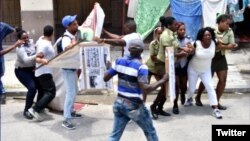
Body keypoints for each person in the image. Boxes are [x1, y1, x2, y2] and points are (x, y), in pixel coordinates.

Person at [104, 39, 168, 141]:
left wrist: (108, 68)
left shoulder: (118, 61)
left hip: (119, 103)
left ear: (128, 49)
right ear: (142, 50)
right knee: (150, 132)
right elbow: (146, 89)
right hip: (134, 106)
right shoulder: (141, 67)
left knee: (114, 135)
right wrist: (163, 80)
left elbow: (105, 78)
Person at [196, 14, 237, 110]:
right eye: (227, 24)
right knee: (206, 79)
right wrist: (226, 45)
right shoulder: (211, 31)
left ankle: (216, 102)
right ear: (220, 22)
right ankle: (198, 97)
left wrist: (222, 46)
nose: (228, 26)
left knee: (223, 80)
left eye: (229, 24)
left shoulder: (229, 31)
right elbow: (204, 43)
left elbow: (232, 45)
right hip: (209, 58)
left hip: (220, 57)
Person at [150, 16, 187, 119]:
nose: (177, 26)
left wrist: (182, 48)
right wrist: (182, 54)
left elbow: (175, 46)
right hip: (163, 64)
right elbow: (169, 52)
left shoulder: (172, 34)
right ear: (169, 25)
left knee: (171, 87)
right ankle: (154, 106)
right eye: (175, 25)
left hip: (170, 63)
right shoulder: (166, 35)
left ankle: (160, 107)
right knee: (166, 87)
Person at [184, 27, 222, 119]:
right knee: (192, 89)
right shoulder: (196, 44)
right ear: (202, 37)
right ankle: (189, 98)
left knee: (210, 88)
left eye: (209, 35)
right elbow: (188, 50)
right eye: (205, 35)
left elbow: (220, 44)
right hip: (193, 69)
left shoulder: (214, 43)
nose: (208, 36)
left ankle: (215, 109)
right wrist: (189, 49)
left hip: (206, 70)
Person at [28, 25, 56, 121]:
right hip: (44, 72)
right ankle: (34, 109)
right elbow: (37, 58)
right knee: (51, 92)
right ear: (52, 33)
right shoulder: (45, 45)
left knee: (43, 91)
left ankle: (40, 108)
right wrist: (43, 60)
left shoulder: (41, 39)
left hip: (42, 71)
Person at [14, 29, 43, 119]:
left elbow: (36, 45)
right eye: (24, 38)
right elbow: (26, 60)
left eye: (27, 37)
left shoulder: (31, 42)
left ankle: (38, 107)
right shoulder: (19, 48)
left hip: (31, 69)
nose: (26, 39)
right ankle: (27, 110)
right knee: (32, 88)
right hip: (21, 71)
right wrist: (36, 56)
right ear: (19, 39)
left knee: (42, 87)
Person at [61, 15, 82, 130]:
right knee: (70, 93)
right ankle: (66, 119)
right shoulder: (66, 38)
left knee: (75, 91)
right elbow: (67, 47)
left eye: (76, 23)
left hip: (73, 68)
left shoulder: (73, 35)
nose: (77, 25)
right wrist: (76, 41)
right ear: (68, 26)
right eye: (74, 24)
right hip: (68, 69)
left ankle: (72, 111)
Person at [173, 22, 194, 114]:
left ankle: (183, 95)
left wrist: (190, 49)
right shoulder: (173, 39)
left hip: (185, 64)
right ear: (176, 30)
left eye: (184, 29)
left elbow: (191, 49)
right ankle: (175, 105)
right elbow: (172, 50)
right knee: (176, 86)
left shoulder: (188, 38)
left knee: (184, 85)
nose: (182, 31)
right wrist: (182, 50)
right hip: (175, 65)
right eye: (180, 29)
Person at [0, 22, 19, 104]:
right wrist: (15, 45)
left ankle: (2, 93)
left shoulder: (3, 26)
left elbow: (15, 30)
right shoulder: (3, 26)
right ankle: (2, 93)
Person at [145, 27, 163, 102]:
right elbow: (153, 57)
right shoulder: (153, 43)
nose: (160, 35)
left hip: (159, 68)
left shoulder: (165, 44)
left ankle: (156, 103)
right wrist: (164, 58)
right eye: (159, 33)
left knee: (164, 87)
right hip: (150, 67)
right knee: (145, 87)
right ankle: (143, 103)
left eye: (162, 33)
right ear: (156, 34)